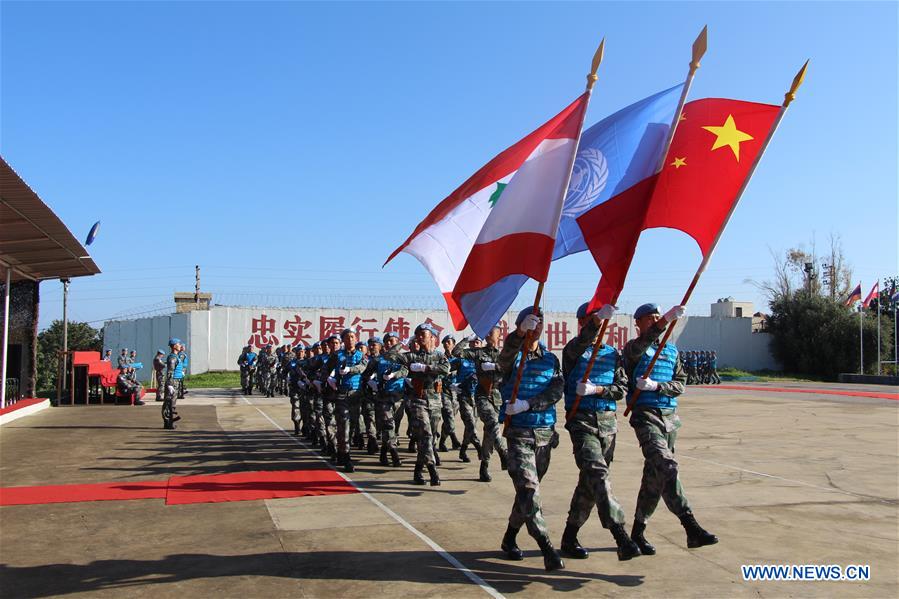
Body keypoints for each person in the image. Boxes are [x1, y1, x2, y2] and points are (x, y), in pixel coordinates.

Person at [624, 303, 718, 554]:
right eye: (650, 318)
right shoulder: (634, 349)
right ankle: (691, 526)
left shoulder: (671, 350)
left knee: (655, 477)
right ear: (638, 323)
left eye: (658, 316)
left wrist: (658, 386)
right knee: (667, 466)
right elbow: (643, 343)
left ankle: (638, 532)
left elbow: (680, 384)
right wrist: (664, 320)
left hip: (669, 419)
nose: (655, 320)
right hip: (645, 416)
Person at [559, 302, 640, 562]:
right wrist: (595, 322)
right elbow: (583, 341)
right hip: (581, 423)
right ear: (581, 323)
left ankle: (569, 537)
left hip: (607, 425)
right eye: (589, 321)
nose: (594, 325)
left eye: (598, 320)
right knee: (598, 474)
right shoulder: (573, 351)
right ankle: (620, 536)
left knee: (590, 483)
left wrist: (598, 390)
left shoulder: (612, 354)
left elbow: (621, 388)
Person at [496, 307, 565, 571]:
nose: (536, 327)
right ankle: (546, 546)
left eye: (540, 322)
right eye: (531, 323)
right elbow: (504, 359)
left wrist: (529, 404)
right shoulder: (513, 357)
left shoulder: (550, 360)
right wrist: (518, 334)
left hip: (544, 433)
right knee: (528, 489)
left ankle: (509, 537)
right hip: (519, 433)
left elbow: (556, 390)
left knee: (526, 494)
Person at [452, 326, 508, 482]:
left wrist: (495, 366)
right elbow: (456, 353)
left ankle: (484, 466)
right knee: (493, 423)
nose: (488, 334)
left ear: (499, 336)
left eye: (491, 332)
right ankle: (503, 452)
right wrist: (466, 339)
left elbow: (510, 369)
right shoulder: (478, 353)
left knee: (489, 432)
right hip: (482, 395)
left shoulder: (503, 355)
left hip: (497, 396)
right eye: (487, 332)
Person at [397, 323, 450, 485]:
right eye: (417, 334)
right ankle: (433, 470)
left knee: (429, 438)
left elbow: (445, 369)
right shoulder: (412, 356)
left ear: (432, 337)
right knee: (426, 434)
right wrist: (402, 343)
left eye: (423, 334)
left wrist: (426, 368)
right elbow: (389, 357)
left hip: (435, 400)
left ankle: (418, 469)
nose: (420, 337)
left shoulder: (439, 355)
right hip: (418, 400)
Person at [364, 333, 406, 467]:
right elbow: (365, 374)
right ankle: (394, 453)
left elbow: (407, 370)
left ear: (397, 342)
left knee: (394, 426)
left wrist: (395, 374)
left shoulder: (403, 358)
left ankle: (383, 451)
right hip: (383, 397)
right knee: (388, 425)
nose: (389, 343)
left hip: (399, 397)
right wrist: (371, 383)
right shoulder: (378, 360)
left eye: (392, 341)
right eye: (387, 341)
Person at [452, 336, 482, 464]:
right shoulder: (461, 359)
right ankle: (479, 447)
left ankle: (463, 450)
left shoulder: (484, 359)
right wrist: (451, 384)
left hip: (479, 397)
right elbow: (444, 370)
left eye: (477, 342)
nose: (475, 344)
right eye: (472, 342)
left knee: (470, 426)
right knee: (470, 424)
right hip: (464, 396)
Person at [438, 335, 462, 453]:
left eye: (448, 342)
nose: (446, 344)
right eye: (444, 342)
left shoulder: (459, 359)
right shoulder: (440, 358)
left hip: (455, 393)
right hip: (444, 392)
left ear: (454, 344)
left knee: (448, 419)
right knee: (449, 417)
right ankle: (453, 439)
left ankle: (443, 442)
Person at [162, 338, 182, 429]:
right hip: (172, 382)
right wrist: (170, 384)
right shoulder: (172, 357)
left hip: (176, 382)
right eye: (178, 344)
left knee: (172, 403)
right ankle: (168, 422)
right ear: (174, 346)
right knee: (168, 402)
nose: (180, 345)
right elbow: (170, 371)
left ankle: (170, 421)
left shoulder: (176, 357)